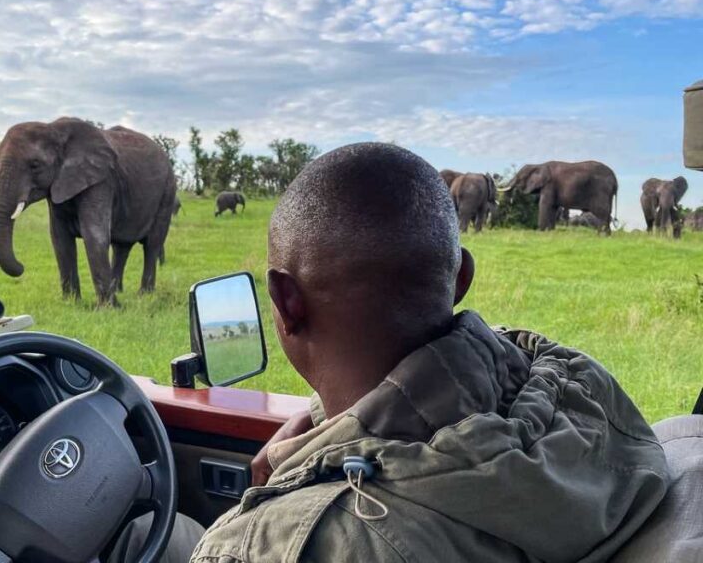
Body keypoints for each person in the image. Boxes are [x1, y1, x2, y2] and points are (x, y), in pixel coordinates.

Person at [183, 143, 669, 561]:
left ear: (287, 303)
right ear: (461, 280)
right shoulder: (576, 386)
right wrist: (318, 438)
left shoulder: (256, 548)